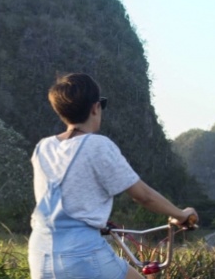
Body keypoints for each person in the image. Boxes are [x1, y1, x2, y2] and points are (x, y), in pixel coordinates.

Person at [28, 73, 197, 279]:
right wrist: (181, 215)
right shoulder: (98, 145)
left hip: (40, 253)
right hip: (82, 255)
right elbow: (143, 196)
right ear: (95, 107)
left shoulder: (43, 147)